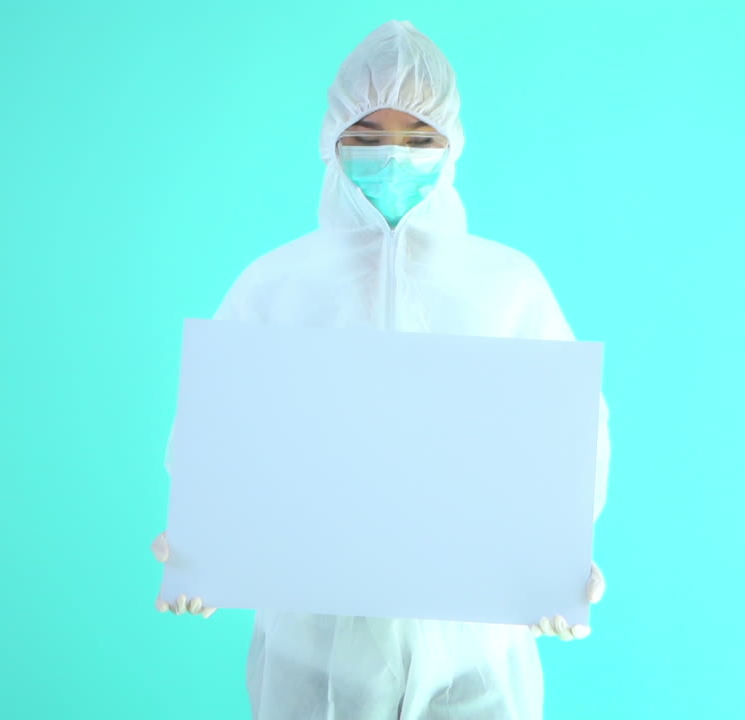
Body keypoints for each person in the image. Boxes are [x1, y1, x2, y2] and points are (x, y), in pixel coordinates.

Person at [150, 19, 611, 720]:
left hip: (472, 653)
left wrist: (560, 561)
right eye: (366, 140)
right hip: (313, 650)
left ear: (453, 146)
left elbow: (570, 438)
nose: (393, 158)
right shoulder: (278, 285)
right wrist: (202, 546)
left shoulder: (506, 286)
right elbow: (219, 431)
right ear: (330, 144)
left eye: (420, 140)